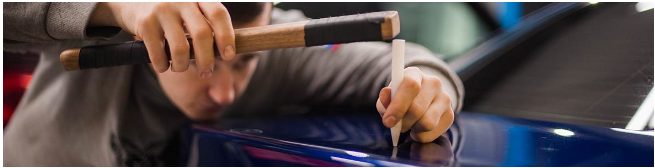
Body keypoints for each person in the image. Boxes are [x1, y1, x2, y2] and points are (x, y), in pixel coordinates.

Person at [3, 2, 464, 166]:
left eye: (243, 65)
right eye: (196, 60)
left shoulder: (285, 47)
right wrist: (114, 7)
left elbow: (409, 63)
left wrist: (429, 87)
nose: (224, 94)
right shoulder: (112, 25)